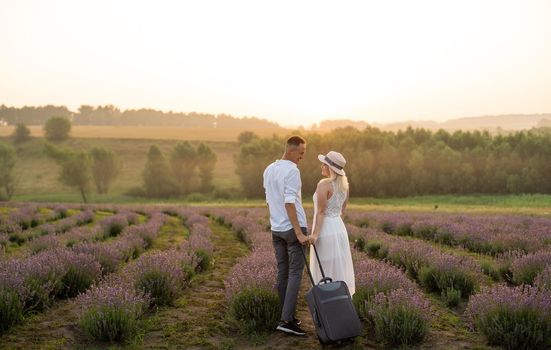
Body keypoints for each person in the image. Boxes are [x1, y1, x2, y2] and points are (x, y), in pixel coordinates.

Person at [263, 135, 309, 336]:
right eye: (301, 153)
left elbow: (268, 201)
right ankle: (286, 320)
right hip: (293, 228)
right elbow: (290, 202)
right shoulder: (292, 171)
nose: (302, 157)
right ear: (291, 150)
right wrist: (299, 232)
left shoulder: (269, 169)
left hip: (277, 229)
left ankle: (286, 316)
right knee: (295, 274)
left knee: (283, 273)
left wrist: (276, 222)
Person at [309, 151, 355, 296]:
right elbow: (343, 210)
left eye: (324, 164)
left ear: (330, 168)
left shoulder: (324, 184)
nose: (321, 166)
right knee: (338, 266)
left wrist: (315, 235)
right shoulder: (344, 186)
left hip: (325, 229)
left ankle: (326, 299)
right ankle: (339, 300)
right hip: (339, 228)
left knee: (325, 267)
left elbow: (321, 212)